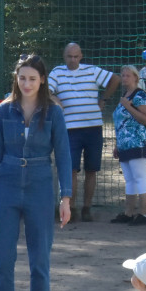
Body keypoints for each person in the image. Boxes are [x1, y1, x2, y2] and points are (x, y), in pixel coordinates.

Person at [0, 54, 72, 291]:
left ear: (42, 80)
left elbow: (65, 157)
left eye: (33, 78)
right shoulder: (3, 111)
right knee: (3, 257)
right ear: (16, 79)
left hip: (40, 186)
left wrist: (65, 197)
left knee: (40, 257)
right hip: (5, 185)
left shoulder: (54, 112)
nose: (27, 83)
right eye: (22, 78)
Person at [47, 42, 118, 222]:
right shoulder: (57, 72)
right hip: (70, 130)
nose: (73, 60)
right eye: (69, 56)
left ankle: (87, 208)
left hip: (93, 127)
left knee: (92, 170)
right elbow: (45, 91)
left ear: (81, 56)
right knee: (71, 170)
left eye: (76, 56)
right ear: (64, 56)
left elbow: (115, 79)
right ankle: (70, 208)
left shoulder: (92, 70)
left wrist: (104, 99)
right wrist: (56, 99)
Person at [110, 65, 146, 226]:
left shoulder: (139, 95)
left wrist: (128, 106)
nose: (124, 78)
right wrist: (117, 144)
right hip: (125, 144)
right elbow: (121, 122)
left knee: (139, 177)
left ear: (135, 77)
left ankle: (143, 214)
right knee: (129, 179)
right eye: (123, 75)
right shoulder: (124, 95)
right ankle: (129, 213)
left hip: (137, 142)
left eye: (128, 75)